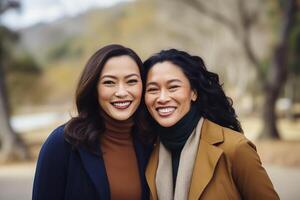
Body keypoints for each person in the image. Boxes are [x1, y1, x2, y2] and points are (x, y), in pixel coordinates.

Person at [143, 49, 279, 200]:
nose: (162, 98)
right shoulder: (148, 149)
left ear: (193, 92)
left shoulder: (235, 148)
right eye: (153, 89)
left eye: (173, 87)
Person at [32, 44, 152, 200]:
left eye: (131, 81)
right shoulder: (62, 143)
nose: (122, 92)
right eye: (109, 82)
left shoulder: (150, 141)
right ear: (93, 87)